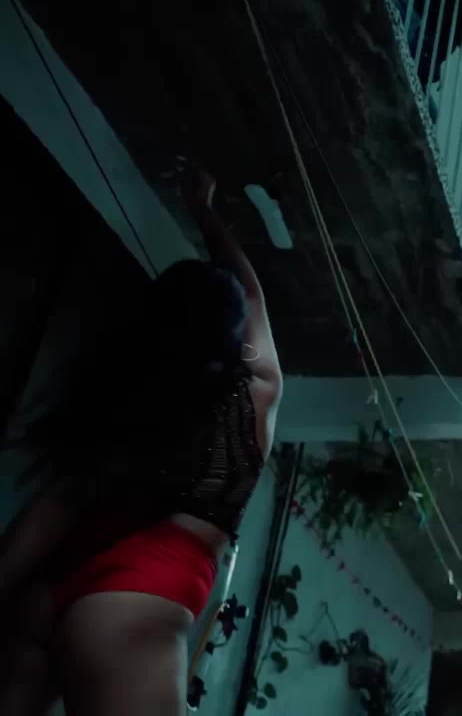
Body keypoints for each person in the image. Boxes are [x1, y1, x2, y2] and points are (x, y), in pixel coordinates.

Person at [0, 166, 283, 715]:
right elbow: (251, 295)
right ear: (232, 337)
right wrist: (205, 212)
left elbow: (55, 506)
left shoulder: (122, 392)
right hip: (140, 591)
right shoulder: (254, 392)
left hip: (52, 584)